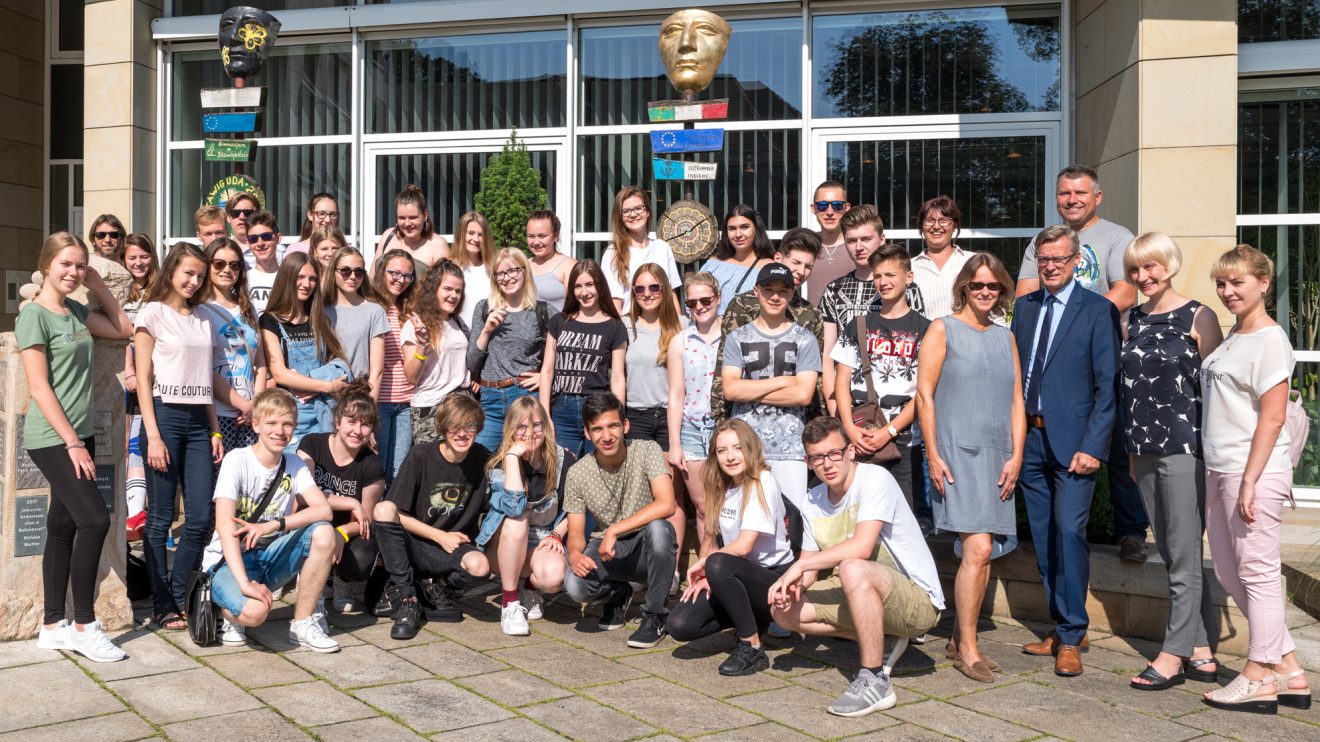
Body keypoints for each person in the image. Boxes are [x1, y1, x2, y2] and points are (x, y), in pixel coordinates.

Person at [769, 417, 944, 717]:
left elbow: (862, 547)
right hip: (860, 591)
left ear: (850, 451)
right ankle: (883, 639)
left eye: (834, 453)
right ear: (808, 462)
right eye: (818, 458)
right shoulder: (812, 500)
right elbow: (809, 568)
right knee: (781, 611)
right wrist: (794, 585)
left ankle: (875, 680)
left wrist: (800, 567)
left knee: (852, 565)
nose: (828, 464)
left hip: (916, 601)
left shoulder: (874, 479)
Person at [1016, 165, 1147, 562]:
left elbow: (1126, 288)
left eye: (1079, 193)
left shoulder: (1115, 237)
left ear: (1097, 196)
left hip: (1102, 344)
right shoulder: (1044, 242)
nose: (1071, 200)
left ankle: (1131, 531)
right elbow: (1024, 290)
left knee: (1117, 441)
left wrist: (1082, 318)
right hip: (1056, 354)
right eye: (1064, 194)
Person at [1200, 245, 1310, 713]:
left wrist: (1249, 481)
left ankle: (1258, 674)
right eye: (1221, 284)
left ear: (1264, 283)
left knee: (1259, 573)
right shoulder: (1235, 335)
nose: (1227, 292)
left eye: (1237, 282)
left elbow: (1272, 418)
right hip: (1219, 466)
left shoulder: (1269, 339)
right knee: (1229, 569)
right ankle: (1289, 669)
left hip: (1252, 472)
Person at [1011, 224, 1120, 677]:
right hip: (1030, 441)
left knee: (1069, 534)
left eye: (1059, 258)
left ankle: (1072, 636)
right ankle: (1062, 624)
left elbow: (1107, 386)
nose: (1051, 266)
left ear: (1077, 260)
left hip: (1075, 446)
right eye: (1044, 259)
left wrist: (1094, 445)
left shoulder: (1097, 310)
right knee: (1043, 537)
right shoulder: (1024, 307)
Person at [1119, 233, 1223, 691]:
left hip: (1185, 449)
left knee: (1182, 556)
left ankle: (1172, 654)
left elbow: (1218, 393)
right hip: (1141, 450)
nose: (1143, 277)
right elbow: (1128, 393)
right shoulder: (1130, 320)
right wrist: (1128, 452)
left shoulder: (1200, 316)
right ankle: (1201, 650)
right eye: (1135, 271)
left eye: (1151, 267)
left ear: (1170, 264)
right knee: (1169, 550)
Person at [22, 232, 132, 661]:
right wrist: (72, 443)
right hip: (53, 438)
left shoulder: (75, 310)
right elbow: (38, 386)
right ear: (47, 263)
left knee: (63, 528)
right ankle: (84, 625)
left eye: (80, 265)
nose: (73, 272)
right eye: (66, 264)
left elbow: (123, 329)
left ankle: (53, 625)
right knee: (94, 521)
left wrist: (98, 286)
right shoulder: (35, 315)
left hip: (78, 434)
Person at [916, 253, 1024, 682]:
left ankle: (962, 638)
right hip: (956, 453)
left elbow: (1017, 400)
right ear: (963, 286)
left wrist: (1016, 455)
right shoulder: (942, 329)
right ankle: (969, 647)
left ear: (1001, 290)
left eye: (993, 286)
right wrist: (933, 453)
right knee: (977, 549)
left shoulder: (1005, 337)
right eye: (977, 285)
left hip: (999, 455)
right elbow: (924, 395)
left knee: (983, 555)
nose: (985, 292)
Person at [204, 388, 341, 653]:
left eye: (287, 424)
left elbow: (324, 510)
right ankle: (227, 609)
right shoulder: (237, 460)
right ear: (255, 424)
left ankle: (302, 623)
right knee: (256, 614)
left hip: (271, 553)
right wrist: (244, 582)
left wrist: (275, 524)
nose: (280, 431)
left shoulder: (294, 464)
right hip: (230, 560)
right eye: (272, 423)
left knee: (324, 532)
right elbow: (224, 525)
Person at [134, 243, 225, 631]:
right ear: (171, 270)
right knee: (160, 518)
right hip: (164, 417)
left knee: (201, 516)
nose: (194, 281)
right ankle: (162, 601)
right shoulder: (152, 313)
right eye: (189, 273)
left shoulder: (204, 316)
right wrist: (152, 435)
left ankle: (177, 589)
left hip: (200, 421)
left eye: (200, 276)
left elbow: (204, 377)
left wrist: (216, 428)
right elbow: (142, 379)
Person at [667, 419, 793, 676]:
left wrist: (709, 567)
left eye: (737, 448)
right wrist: (706, 576)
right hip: (737, 575)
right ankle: (748, 619)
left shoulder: (762, 479)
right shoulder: (721, 485)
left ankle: (751, 645)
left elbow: (744, 546)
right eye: (722, 450)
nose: (730, 457)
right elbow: (709, 540)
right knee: (680, 625)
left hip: (774, 579)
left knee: (718, 563)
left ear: (751, 448)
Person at [563, 393, 678, 649]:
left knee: (661, 529)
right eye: (598, 429)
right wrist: (574, 555)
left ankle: (655, 616)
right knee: (574, 584)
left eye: (613, 426)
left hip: (644, 548)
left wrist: (615, 528)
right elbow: (576, 534)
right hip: (607, 552)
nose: (606, 436)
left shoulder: (647, 450)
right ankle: (619, 594)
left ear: (625, 426)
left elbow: (667, 504)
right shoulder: (578, 473)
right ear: (587, 433)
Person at [373, 395, 493, 639]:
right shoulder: (421, 456)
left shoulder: (483, 458)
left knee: (480, 566)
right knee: (383, 510)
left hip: (452, 546)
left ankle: (436, 585)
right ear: (443, 428)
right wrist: (440, 536)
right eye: (455, 427)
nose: (462, 434)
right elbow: (394, 511)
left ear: (478, 428)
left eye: (469, 426)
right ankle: (408, 598)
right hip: (417, 542)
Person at [832, 244, 932, 531]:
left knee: (901, 522)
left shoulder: (926, 329)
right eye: (877, 276)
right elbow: (842, 381)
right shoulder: (858, 325)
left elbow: (924, 392)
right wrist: (850, 429)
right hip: (858, 436)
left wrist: (889, 431)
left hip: (903, 441)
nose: (883, 282)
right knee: (854, 517)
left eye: (891, 274)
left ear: (908, 277)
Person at [722, 263, 821, 507]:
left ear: (792, 294)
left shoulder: (805, 339)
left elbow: (803, 395)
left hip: (791, 449)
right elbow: (731, 390)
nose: (775, 297)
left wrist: (750, 390)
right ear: (756, 291)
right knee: (746, 517)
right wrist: (782, 381)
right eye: (768, 290)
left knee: (793, 521)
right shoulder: (738, 337)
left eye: (783, 291)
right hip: (745, 448)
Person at [476, 397, 577, 635]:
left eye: (537, 425)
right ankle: (509, 603)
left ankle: (529, 588)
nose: (530, 433)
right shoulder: (499, 463)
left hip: (540, 540)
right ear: (510, 429)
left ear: (546, 427)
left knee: (553, 577)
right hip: (501, 544)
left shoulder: (565, 460)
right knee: (517, 518)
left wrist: (557, 532)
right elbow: (513, 506)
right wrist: (512, 459)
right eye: (521, 427)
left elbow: (576, 508)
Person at [709, 228, 824, 423]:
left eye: (808, 266)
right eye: (796, 262)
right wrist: (721, 420)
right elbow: (725, 374)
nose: (801, 271)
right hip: (744, 421)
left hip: (793, 423)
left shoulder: (811, 315)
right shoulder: (743, 305)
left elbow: (810, 385)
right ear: (778, 258)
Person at [296, 380, 385, 615]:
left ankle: (342, 581)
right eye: (351, 421)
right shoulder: (311, 444)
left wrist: (340, 533)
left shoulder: (372, 464)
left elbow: (365, 520)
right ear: (337, 422)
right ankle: (311, 575)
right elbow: (303, 497)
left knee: (363, 555)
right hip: (312, 523)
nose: (357, 430)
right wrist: (348, 501)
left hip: (346, 530)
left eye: (365, 425)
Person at [625, 263, 688, 563]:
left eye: (654, 287)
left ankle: (671, 569)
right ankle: (641, 565)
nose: (647, 294)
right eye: (640, 289)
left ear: (664, 290)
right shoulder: (625, 327)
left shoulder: (682, 327)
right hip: (635, 417)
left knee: (672, 496)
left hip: (668, 419)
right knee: (639, 495)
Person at [259, 252, 350, 452]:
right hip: (289, 414)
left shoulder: (319, 319)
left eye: (312, 279)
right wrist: (326, 386)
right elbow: (280, 373)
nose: (306, 284)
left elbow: (337, 362)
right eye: (300, 277)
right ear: (287, 278)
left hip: (323, 411)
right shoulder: (270, 320)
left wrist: (313, 385)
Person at [467, 248, 553, 451]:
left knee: (526, 460)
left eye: (513, 270)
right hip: (490, 399)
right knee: (481, 462)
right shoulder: (484, 308)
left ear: (525, 271)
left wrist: (545, 376)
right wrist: (486, 331)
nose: (507, 278)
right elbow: (471, 362)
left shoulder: (543, 312)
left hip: (524, 396)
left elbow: (567, 352)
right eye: (501, 273)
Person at [540, 259, 627, 457]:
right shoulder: (559, 322)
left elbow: (618, 378)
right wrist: (545, 415)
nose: (584, 292)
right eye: (578, 286)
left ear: (600, 286)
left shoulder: (615, 327)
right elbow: (546, 371)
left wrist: (618, 418)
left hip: (598, 408)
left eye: (589, 285)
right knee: (562, 471)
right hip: (562, 409)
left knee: (598, 472)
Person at [666, 271, 721, 550]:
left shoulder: (733, 335)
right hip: (691, 429)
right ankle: (707, 568)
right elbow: (676, 394)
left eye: (705, 300)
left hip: (725, 428)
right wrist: (675, 444)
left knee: (728, 505)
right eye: (691, 303)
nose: (699, 307)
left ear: (718, 299)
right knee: (702, 508)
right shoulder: (681, 341)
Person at [198, 238, 267, 455]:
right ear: (207, 265)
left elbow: (261, 362)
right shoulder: (200, 310)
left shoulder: (249, 309)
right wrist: (243, 405)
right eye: (219, 264)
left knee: (249, 487)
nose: (227, 270)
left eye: (234, 265)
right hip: (218, 415)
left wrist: (256, 403)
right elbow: (204, 368)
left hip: (251, 415)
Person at [820, 205, 888, 417]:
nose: (859, 247)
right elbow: (828, 356)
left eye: (866, 239)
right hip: (847, 404)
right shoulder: (834, 290)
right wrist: (835, 409)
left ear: (882, 239)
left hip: (894, 403)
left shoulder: (905, 288)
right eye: (851, 240)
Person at [402, 259, 472, 445]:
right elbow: (411, 377)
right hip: (430, 408)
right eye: (448, 289)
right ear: (434, 290)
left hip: (460, 407)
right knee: (432, 469)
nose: (453, 295)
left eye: (458, 291)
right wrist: (422, 345)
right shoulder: (415, 325)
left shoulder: (459, 324)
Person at [120, 233, 158, 538]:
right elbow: (121, 336)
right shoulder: (121, 290)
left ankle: (146, 514)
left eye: (143, 256)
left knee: (146, 443)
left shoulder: (162, 288)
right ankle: (131, 511)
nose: (138, 262)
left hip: (156, 376)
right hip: (125, 377)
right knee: (127, 443)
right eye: (132, 257)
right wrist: (129, 369)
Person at [372, 249, 420, 483]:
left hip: (406, 401)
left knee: (398, 471)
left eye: (407, 276)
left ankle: (390, 518)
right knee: (377, 467)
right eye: (394, 273)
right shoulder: (371, 307)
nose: (400, 280)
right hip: (379, 400)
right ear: (382, 271)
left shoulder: (411, 311)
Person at [603, 186, 681, 314]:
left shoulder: (662, 248)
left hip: (665, 327)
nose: (633, 214)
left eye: (638, 208)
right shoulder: (613, 253)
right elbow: (614, 303)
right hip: (630, 326)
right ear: (620, 217)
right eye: (626, 211)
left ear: (647, 212)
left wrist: (679, 330)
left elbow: (671, 295)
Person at [323, 247, 389, 396]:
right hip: (326, 393)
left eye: (359, 272)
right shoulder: (321, 310)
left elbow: (377, 370)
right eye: (345, 271)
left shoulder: (374, 311)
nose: (353, 277)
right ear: (333, 271)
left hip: (360, 394)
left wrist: (371, 402)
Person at [701, 205, 774, 315]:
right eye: (732, 229)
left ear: (756, 229)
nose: (738, 234)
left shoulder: (768, 267)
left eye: (744, 227)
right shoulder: (713, 264)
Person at [910, 195, 972, 320]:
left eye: (944, 220)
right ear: (921, 226)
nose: (936, 226)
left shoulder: (972, 262)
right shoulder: (909, 267)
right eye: (929, 220)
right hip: (923, 338)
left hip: (966, 338)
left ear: (954, 225)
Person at [376, 184, 449, 278]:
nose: (407, 223)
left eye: (413, 217)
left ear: (425, 215)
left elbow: (445, 284)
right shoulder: (388, 236)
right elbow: (372, 278)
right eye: (402, 218)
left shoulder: (438, 244)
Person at [805, 181, 852, 305]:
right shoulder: (806, 245)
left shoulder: (858, 246)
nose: (830, 212)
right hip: (814, 322)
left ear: (847, 208)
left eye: (837, 206)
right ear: (813, 208)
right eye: (822, 206)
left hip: (855, 323)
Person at [526, 210, 576, 313]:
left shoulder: (569, 266)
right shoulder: (522, 265)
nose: (536, 242)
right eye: (531, 236)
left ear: (556, 236)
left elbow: (575, 309)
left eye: (542, 236)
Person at [452, 210, 495, 328]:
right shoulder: (450, 268)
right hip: (457, 335)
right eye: (471, 233)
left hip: (487, 336)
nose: (475, 239)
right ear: (461, 234)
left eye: (480, 235)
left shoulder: (492, 268)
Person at [244, 210, 283, 315]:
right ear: (247, 243)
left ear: (278, 238)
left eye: (266, 237)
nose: (260, 243)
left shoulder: (290, 278)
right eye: (253, 239)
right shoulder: (242, 280)